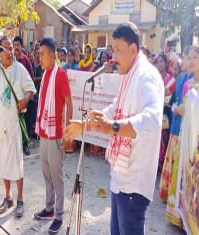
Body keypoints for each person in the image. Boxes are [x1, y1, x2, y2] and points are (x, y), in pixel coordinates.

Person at [64, 22, 164, 235]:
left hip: (134, 183)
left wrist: (113, 127)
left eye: (118, 50)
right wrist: (84, 125)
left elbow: (152, 120)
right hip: (120, 176)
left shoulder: (147, 76)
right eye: (113, 50)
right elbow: (115, 108)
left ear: (133, 50)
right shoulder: (130, 75)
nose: (113, 57)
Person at [164, 44, 199, 228]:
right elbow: (183, 106)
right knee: (182, 173)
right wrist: (179, 110)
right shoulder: (187, 83)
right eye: (190, 57)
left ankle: (194, 221)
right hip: (185, 134)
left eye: (195, 57)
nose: (192, 61)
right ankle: (179, 215)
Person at [0, 36, 36, 218]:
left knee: (17, 162)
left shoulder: (20, 68)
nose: (10, 52)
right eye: (6, 49)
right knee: (4, 163)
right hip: (0, 125)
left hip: (14, 124)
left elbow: (30, 88)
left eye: (12, 49)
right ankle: (8, 198)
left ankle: (20, 199)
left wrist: (24, 100)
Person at [34, 38, 73, 234]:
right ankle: (49, 209)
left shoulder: (61, 75)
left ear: (52, 56)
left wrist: (67, 134)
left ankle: (58, 215)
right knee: (47, 173)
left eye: (42, 54)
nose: (39, 57)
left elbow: (69, 104)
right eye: (38, 54)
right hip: (44, 132)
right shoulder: (45, 73)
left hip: (56, 134)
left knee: (57, 177)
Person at [159, 49, 191, 202]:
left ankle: (178, 201)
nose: (181, 62)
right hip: (175, 125)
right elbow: (166, 91)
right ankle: (170, 197)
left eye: (184, 59)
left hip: (185, 128)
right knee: (172, 161)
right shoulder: (180, 79)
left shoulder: (195, 80)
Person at [13, 36, 34, 155]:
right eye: (14, 45)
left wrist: (27, 97)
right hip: (13, 97)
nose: (16, 47)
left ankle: (25, 144)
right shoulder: (10, 59)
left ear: (21, 46)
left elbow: (30, 79)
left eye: (18, 45)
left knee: (25, 121)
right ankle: (16, 145)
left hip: (24, 97)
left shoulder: (25, 60)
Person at [156, 54, 174, 172]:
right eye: (158, 61)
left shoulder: (171, 79)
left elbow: (169, 97)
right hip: (155, 112)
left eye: (162, 61)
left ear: (166, 63)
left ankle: (161, 166)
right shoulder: (155, 77)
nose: (160, 64)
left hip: (166, 113)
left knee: (164, 140)